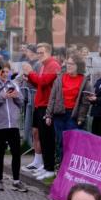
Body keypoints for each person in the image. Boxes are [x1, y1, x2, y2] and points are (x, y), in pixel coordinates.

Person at [0, 61, 28, 193]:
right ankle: (0, 180)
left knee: (16, 152)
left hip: (13, 124)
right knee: (0, 152)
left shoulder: (13, 84)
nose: (5, 74)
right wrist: (3, 97)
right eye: (3, 71)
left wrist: (16, 97)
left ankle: (16, 180)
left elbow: (21, 103)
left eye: (7, 71)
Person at [23, 42, 61, 179]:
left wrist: (31, 73)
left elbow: (44, 82)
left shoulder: (53, 65)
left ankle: (49, 167)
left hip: (47, 105)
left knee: (47, 138)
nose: (39, 55)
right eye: (38, 52)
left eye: (42, 52)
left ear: (49, 52)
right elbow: (39, 84)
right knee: (41, 136)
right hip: (40, 103)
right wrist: (29, 78)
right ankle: (44, 165)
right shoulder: (44, 65)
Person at [44, 53, 92, 161]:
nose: (69, 66)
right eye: (68, 63)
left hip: (73, 116)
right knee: (60, 142)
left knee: (72, 143)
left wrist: (81, 118)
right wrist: (48, 115)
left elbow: (85, 103)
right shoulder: (60, 79)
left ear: (78, 66)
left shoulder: (84, 81)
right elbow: (52, 98)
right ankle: (62, 168)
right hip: (59, 114)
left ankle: (70, 170)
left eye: (72, 64)